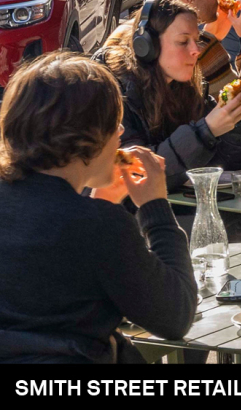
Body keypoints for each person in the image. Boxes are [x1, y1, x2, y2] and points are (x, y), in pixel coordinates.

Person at [0, 54, 196, 363]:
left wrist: (100, 204)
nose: (121, 133)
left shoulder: (89, 218)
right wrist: (155, 207)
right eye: (115, 124)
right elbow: (176, 315)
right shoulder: (98, 224)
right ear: (90, 135)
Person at [102, 0, 241, 190]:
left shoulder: (185, 86)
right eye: (183, 42)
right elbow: (135, 173)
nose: (196, 50)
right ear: (146, 46)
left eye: (196, 40)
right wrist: (205, 132)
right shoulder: (110, 91)